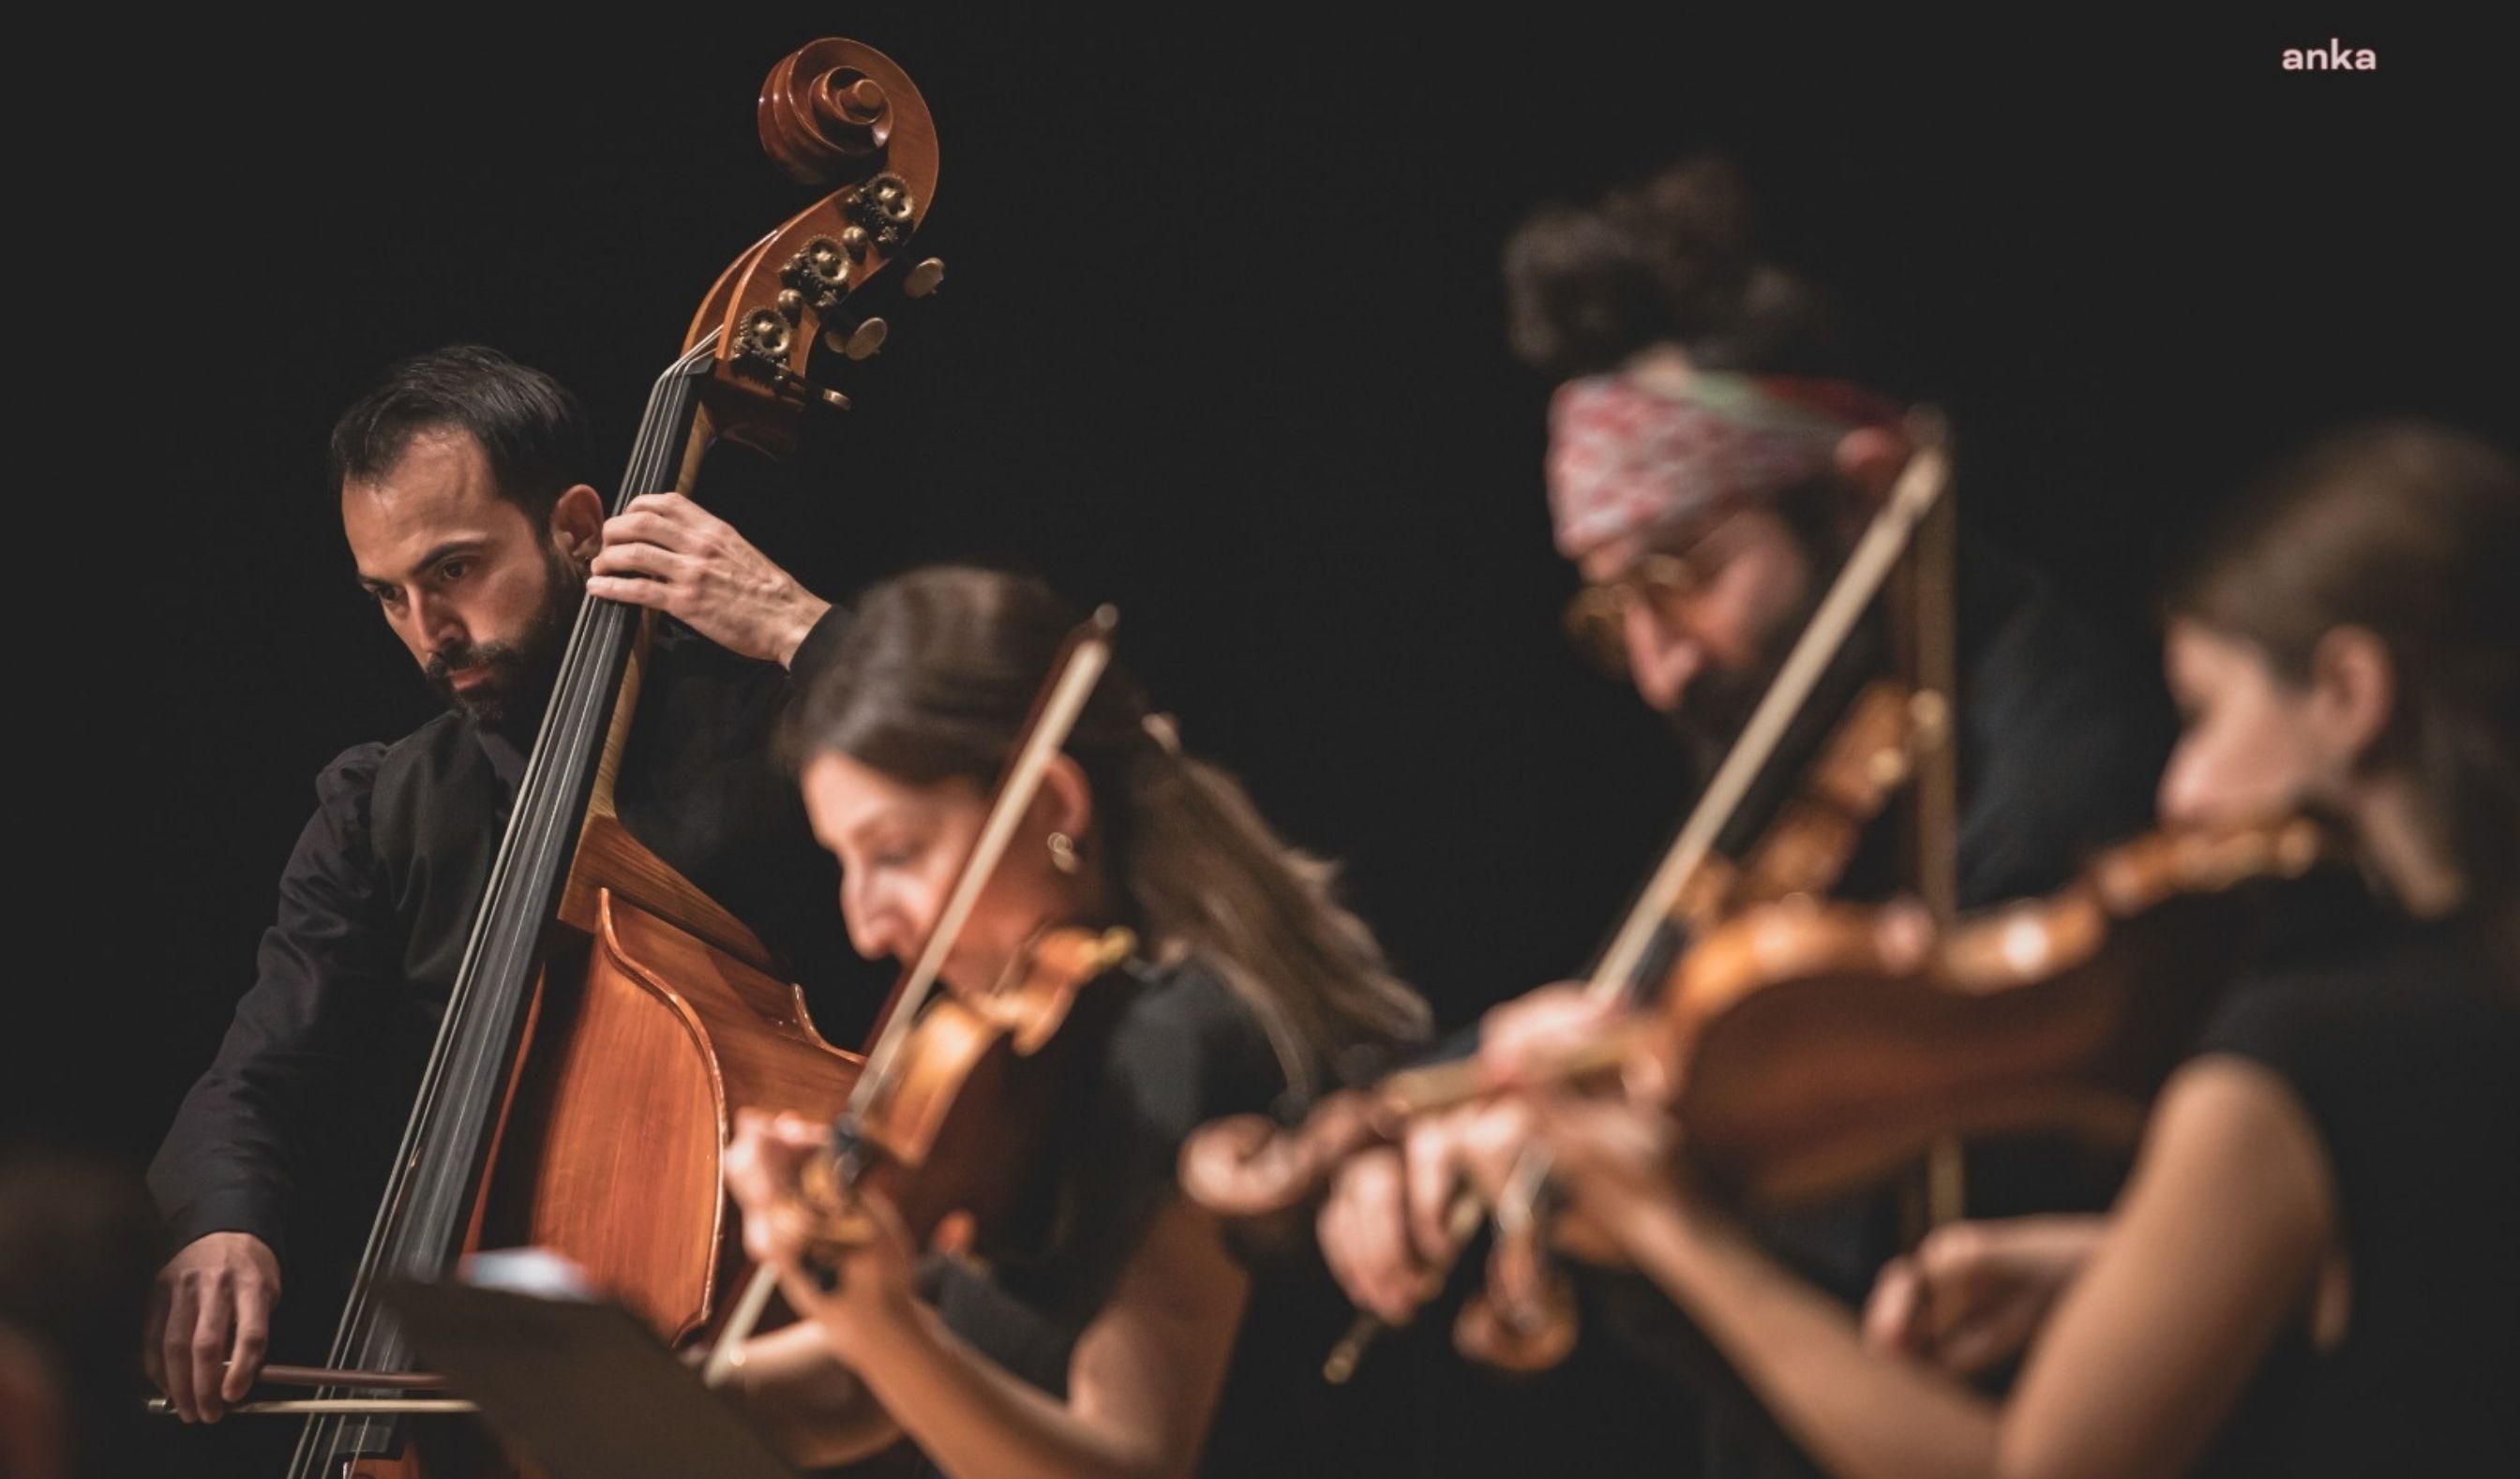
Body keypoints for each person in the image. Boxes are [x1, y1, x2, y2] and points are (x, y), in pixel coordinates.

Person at [1311, 157, 2173, 1474]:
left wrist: (1635, 1203)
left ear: (1869, 489)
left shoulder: (2059, 777)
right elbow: (1640, 1020)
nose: (1660, 665)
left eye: (1690, 577)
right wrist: (1424, 1112)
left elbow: (1889, 1308)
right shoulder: (1813, 756)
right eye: (1617, 612)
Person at [1492, 419, 2520, 1476]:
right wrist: (2115, 1268)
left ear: (2349, 693)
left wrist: (1675, 1235)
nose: (2182, 790)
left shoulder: (2294, 1063)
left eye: (2204, 714)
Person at [144, 345, 867, 1431]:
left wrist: (801, 630)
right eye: (387, 596)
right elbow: (257, 1075)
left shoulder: (776, 725)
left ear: (577, 526)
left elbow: (1063, 768)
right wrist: (221, 1222)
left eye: (455, 571)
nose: (428, 635)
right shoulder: (382, 805)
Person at [718, 565, 1431, 1478]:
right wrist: (617, 1402)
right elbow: (876, 1385)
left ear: (1055, 810)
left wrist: (876, 1323)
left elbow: (1126, 1463)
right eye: (845, 864)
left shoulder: (1183, 1042)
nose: (866, 927)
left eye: (894, 854)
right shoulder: (1057, 1044)